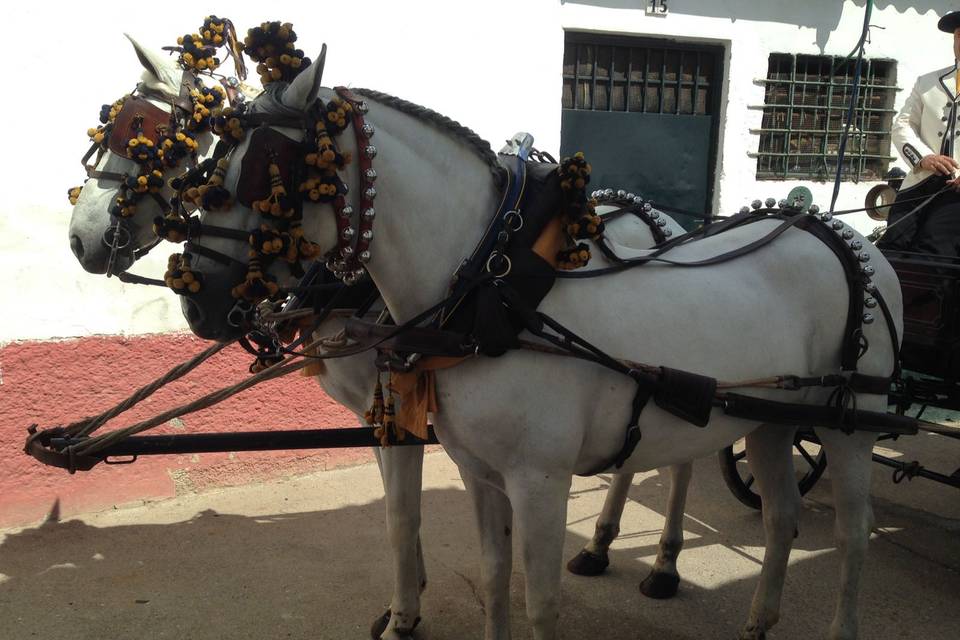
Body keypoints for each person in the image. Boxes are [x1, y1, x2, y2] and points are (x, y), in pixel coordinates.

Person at [879, 10, 960, 255]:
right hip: (920, 182)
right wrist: (923, 157)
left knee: (933, 253)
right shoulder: (928, 82)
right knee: (891, 246)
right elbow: (902, 125)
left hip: (956, 191)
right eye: (958, 36)